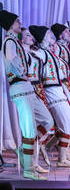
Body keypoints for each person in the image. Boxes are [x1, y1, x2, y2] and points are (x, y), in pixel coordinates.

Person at [29, 25, 70, 167]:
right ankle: (59, 157)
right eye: (48, 34)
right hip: (51, 91)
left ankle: (59, 152)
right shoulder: (40, 53)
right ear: (43, 38)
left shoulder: (49, 53)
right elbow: (34, 71)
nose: (51, 37)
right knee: (66, 124)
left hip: (60, 90)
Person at [0, 12, 46, 180]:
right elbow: (11, 61)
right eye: (17, 21)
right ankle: (29, 169)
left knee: (47, 120)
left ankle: (25, 150)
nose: (20, 23)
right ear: (10, 24)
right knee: (29, 129)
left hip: (27, 88)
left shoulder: (16, 41)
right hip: (19, 87)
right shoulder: (9, 41)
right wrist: (22, 74)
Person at [21, 28, 56, 171]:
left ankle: (32, 149)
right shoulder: (21, 53)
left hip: (37, 88)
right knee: (31, 127)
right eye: (27, 35)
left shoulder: (34, 53)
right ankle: (32, 163)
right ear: (21, 38)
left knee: (47, 121)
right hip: (27, 89)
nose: (30, 37)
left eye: (31, 35)